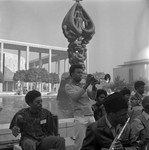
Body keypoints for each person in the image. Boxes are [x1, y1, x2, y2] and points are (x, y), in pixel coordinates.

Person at [65, 64, 97, 150]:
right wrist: (86, 85)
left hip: (90, 115)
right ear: (72, 74)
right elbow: (75, 97)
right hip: (80, 118)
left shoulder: (82, 85)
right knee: (80, 144)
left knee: (94, 142)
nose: (81, 75)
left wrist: (93, 86)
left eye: (82, 73)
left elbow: (93, 97)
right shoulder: (68, 86)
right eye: (78, 72)